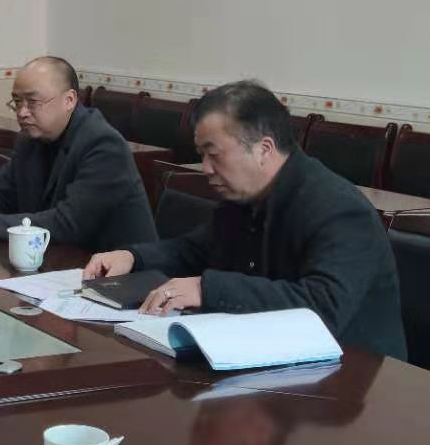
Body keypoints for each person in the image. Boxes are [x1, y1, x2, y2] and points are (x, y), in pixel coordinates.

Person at [83, 80, 405, 358]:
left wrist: (206, 289)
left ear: (264, 149)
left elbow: (322, 307)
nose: (205, 168)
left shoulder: (339, 210)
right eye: (201, 154)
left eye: (214, 154)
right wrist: (132, 256)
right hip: (270, 358)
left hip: (353, 379)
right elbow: (195, 250)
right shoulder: (246, 197)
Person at [0, 56, 155, 252]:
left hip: (118, 272)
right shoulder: (31, 138)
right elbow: (2, 191)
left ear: (69, 100)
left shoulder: (103, 145)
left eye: (33, 102)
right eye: (17, 102)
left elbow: (68, 224)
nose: (22, 112)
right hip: (58, 261)